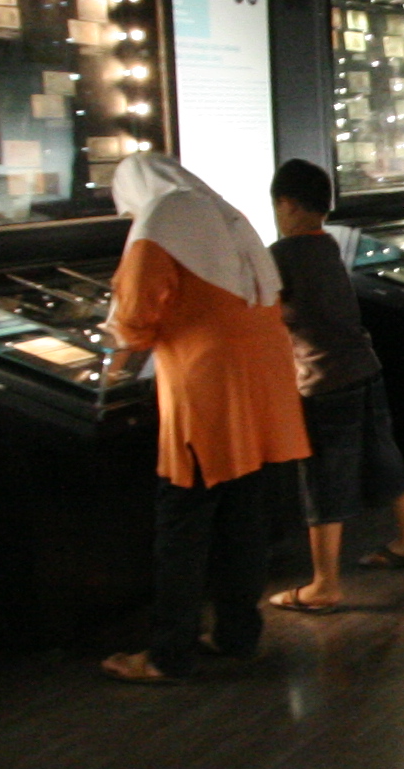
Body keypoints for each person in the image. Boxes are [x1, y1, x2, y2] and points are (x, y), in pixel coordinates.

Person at [99, 152, 311, 683]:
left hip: (207, 390)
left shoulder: (159, 218)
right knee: (243, 516)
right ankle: (238, 634)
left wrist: (114, 360)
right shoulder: (222, 211)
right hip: (261, 385)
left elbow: (134, 313)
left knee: (183, 523)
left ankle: (168, 654)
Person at [263, 158, 404, 613]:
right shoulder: (326, 245)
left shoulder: (282, 255)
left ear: (288, 204)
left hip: (324, 380)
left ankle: (324, 585)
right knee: (384, 455)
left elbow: (266, 314)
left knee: (324, 478)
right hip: (363, 367)